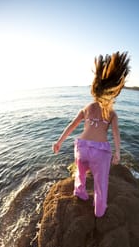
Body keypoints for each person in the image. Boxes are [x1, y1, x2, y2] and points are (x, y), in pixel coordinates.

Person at [52, 51, 130, 217]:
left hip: (81, 148)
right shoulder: (112, 114)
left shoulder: (87, 107)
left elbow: (72, 125)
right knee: (101, 183)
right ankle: (99, 210)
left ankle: (80, 192)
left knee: (80, 174)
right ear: (113, 92)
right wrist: (117, 152)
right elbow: (116, 134)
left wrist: (59, 141)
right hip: (100, 152)